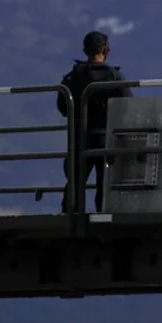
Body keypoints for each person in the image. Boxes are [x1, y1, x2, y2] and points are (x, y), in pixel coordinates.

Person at [57, 30, 133, 213]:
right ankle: (103, 218)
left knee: (75, 182)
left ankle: (70, 216)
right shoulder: (114, 77)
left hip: (79, 138)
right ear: (106, 50)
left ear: (85, 50)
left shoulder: (72, 78)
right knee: (105, 183)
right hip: (106, 138)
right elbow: (128, 107)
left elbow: (62, 107)